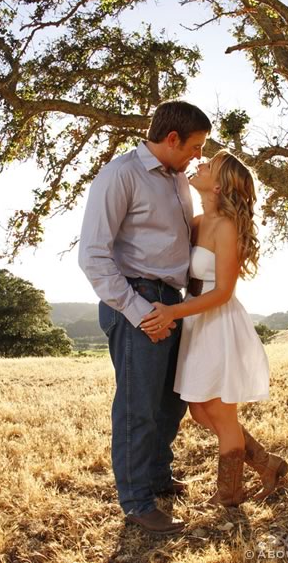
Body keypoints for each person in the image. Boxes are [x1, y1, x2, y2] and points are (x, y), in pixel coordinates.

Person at [78, 100, 212, 535]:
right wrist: (140, 313)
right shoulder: (120, 175)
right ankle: (137, 502)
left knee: (171, 400)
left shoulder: (178, 181)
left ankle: (156, 475)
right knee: (138, 408)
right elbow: (93, 256)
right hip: (137, 300)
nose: (198, 155)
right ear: (171, 138)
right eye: (195, 146)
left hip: (171, 301)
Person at [141, 150, 288, 506]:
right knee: (199, 410)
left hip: (217, 322)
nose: (200, 164)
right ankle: (268, 464)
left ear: (220, 184)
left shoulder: (226, 225)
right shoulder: (196, 221)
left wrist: (172, 311)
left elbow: (223, 292)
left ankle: (229, 496)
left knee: (221, 414)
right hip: (195, 321)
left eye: (208, 166)